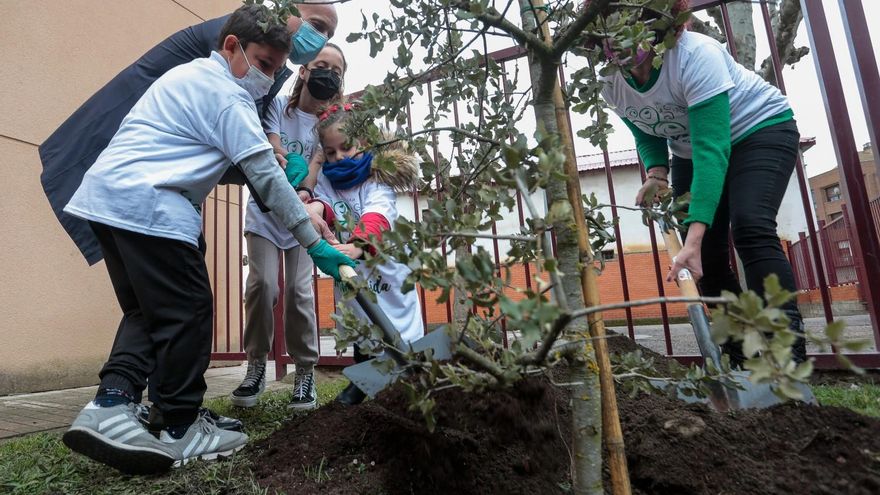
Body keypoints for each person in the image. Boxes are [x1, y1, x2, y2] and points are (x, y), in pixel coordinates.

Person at [60, 5, 355, 475]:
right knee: (189, 310)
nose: (267, 77)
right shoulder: (226, 96)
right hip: (150, 207)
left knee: (147, 312)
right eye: (262, 64)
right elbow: (263, 174)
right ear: (232, 46)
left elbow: (249, 163)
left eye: (277, 71)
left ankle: (112, 406)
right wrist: (312, 240)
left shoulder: (191, 77)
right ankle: (179, 423)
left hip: (108, 202)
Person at [592, 0, 806, 365]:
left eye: (630, 22)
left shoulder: (696, 55)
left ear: (658, 25)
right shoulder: (611, 80)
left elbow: (712, 150)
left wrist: (691, 238)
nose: (618, 37)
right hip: (693, 149)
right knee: (706, 256)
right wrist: (657, 172)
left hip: (759, 131)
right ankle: (743, 353)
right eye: (609, 25)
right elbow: (646, 126)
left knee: (751, 226)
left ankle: (788, 355)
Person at [231, 43, 347, 410]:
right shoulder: (279, 107)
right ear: (303, 70)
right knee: (262, 286)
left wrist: (307, 196)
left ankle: (305, 371)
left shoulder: (332, 126)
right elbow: (274, 149)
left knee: (300, 292)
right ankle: (255, 366)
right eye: (321, 65)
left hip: (305, 218)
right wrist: (288, 177)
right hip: (266, 215)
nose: (328, 73)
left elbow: (322, 168)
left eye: (337, 70)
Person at [308, 101, 425, 405]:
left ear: (363, 142)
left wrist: (359, 244)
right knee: (359, 320)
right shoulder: (327, 180)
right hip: (352, 267)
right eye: (331, 153)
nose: (339, 157)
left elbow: (378, 213)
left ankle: (409, 376)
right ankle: (363, 377)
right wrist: (316, 208)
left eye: (346, 148)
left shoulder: (377, 178)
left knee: (395, 321)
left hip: (385, 265)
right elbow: (326, 203)